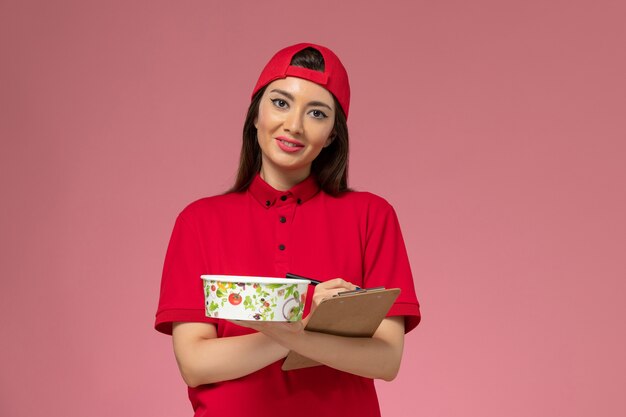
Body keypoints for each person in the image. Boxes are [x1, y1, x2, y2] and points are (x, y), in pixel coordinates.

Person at [155, 42, 421, 417]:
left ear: (332, 134)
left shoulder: (371, 216)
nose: (294, 125)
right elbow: (196, 363)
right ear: (255, 114)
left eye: (316, 113)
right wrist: (303, 325)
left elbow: (385, 359)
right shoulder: (198, 222)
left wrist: (287, 333)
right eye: (281, 103)